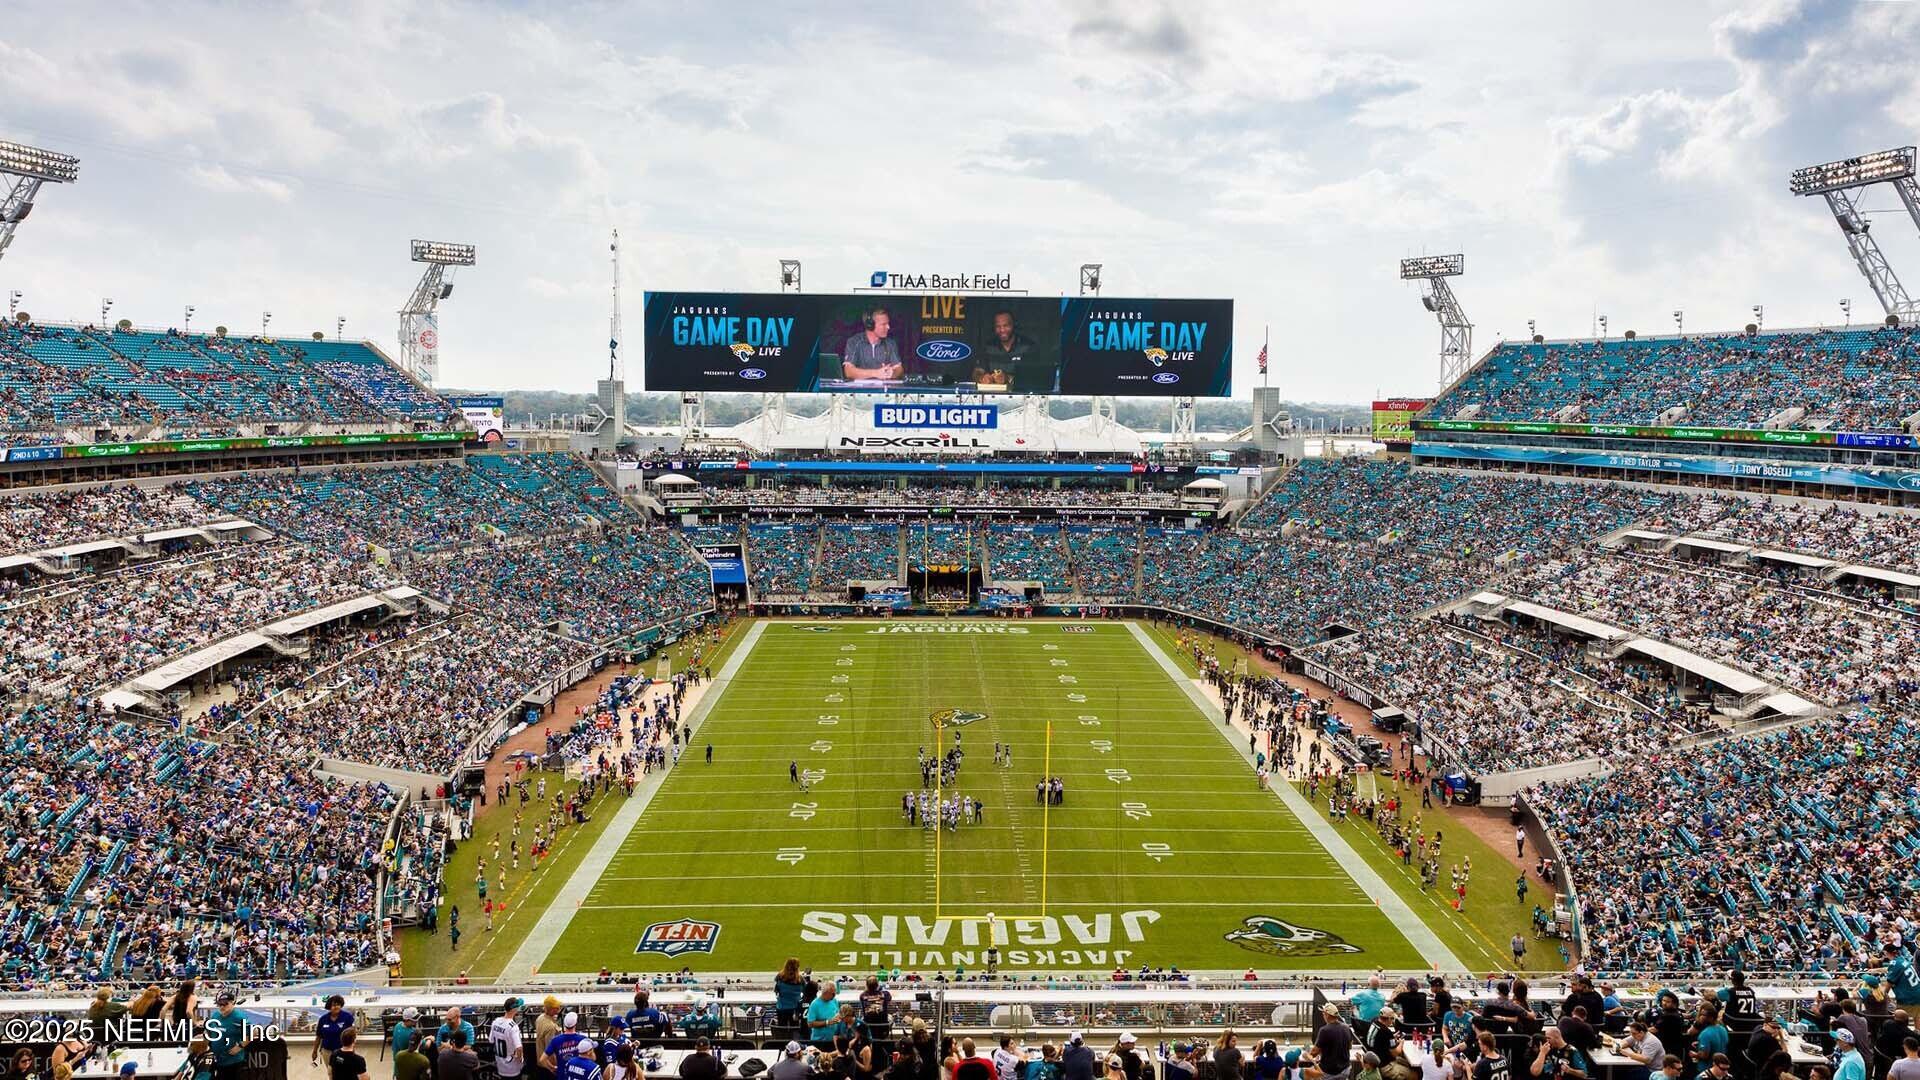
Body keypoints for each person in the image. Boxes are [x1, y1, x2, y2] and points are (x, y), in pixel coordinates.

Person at [841, 308, 903, 380]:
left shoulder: (890, 343)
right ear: (870, 325)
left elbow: (899, 369)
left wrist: (892, 373)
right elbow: (849, 372)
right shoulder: (854, 342)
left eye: (888, 323)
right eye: (883, 324)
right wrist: (876, 373)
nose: (888, 327)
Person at [207, 993, 250, 1080]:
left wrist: (240, 1047)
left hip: (233, 1061)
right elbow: (210, 1030)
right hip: (218, 1059)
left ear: (233, 1002)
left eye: (225, 1004)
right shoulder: (215, 1015)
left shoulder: (239, 1018)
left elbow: (252, 1033)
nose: (222, 1007)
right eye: (220, 1004)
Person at [315, 996, 357, 1068]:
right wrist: (314, 1051)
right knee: (330, 1071)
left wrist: (352, 1050)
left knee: (341, 1070)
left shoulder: (347, 1017)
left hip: (342, 1051)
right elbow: (318, 1036)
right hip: (327, 1051)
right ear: (329, 1007)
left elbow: (352, 1035)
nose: (336, 1007)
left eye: (338, 1005)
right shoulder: (323, 1019)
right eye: (334, 1005)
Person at [1314, 1007, 1355, 1080]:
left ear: (1327, 1015)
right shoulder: (1347, 1027)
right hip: (1345, 1070)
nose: (1322, 1015)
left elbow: (1314, 1052)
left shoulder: (1324, 1030)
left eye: (1323, 1013)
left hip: (1329, 1073)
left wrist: (1309, 1055)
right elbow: (1350, 1046)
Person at [491, 998, 528, 1080]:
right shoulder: (513, 1027)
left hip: (500, 1065)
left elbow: (491, 1040)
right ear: (514, 1009)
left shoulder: (495, 1022)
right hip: (512, 1068)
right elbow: (519, 1047)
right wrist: (520, 1060)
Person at [808, 983, 845, 1050]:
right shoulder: (814, 1004)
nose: (834, 996)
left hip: (834, 1040)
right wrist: (827, 1022)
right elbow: (810, 1024)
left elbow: (838, 1013)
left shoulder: (834, 1001)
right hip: (820, 1042)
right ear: (825, 993)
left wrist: (840, 1017)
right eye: (833, 994)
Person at [775, 961, 809, 1031]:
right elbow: (806, 992)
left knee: (782, 1031)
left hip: (782, 1008)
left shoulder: (779, 977)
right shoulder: (800, 979)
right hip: (795, 1009)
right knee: (795, 1031)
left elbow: (776, 991)